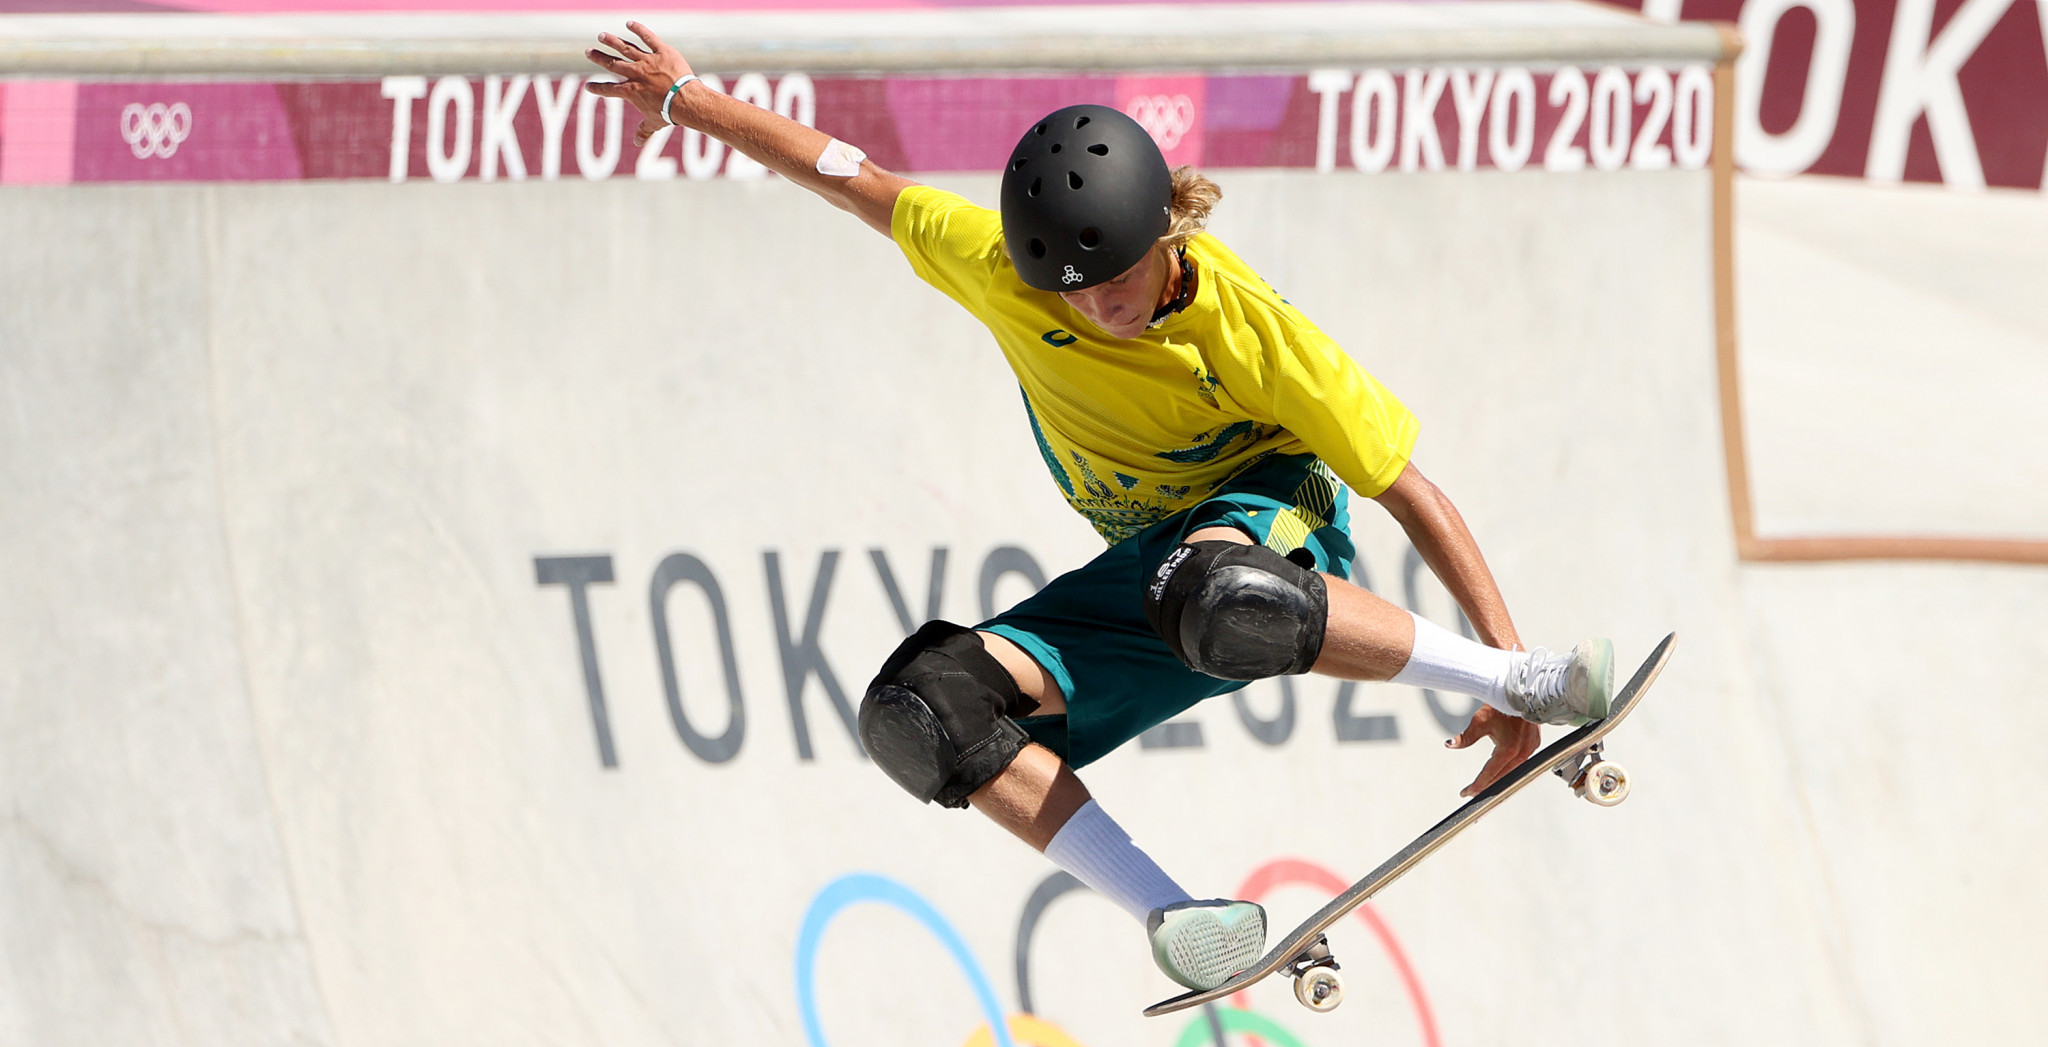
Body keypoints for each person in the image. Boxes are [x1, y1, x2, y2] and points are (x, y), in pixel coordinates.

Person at [586, 25, 1615, 992]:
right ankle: (1182, 923)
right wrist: (687, 101)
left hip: (1266, 516)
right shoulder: (1002, 271)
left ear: (1166, 230)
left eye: (1116, 281)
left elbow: (1405, 487)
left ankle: (1520, 678)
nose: (1097, 310)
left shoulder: (1250, 331)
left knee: (1210, 588)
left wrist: (1512, 667)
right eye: (1070, 293)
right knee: (925, 706)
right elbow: (855, 179)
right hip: (1145, 567)